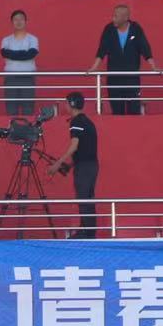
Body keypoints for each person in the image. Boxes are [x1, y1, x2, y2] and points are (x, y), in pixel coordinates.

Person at [90, 4, 154, 116]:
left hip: (132, 80)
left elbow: (145, 49)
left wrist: (154, 67)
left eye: (116, 16)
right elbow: (102, 50)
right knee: (117, 113)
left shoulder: (136, 29)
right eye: (113, 15)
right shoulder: (109, 29)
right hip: (114, 80)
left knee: (134, 112)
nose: (113, 18)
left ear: (125, 17)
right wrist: (94, 68)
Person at [53, 92, 100, 237]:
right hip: (90, 165)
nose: (65, 105)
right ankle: (88, 230)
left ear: (72, 104)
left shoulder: (76, 122)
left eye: (67, 103)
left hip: (85, 167)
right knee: (88, 198)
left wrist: (58, 163)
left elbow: (74, 146)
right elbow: (85, 148)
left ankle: (86, 232)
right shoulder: (86, 121)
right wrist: (71, 164)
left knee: (83, 198)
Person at [0, 9, 39, 118]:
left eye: (21, 19)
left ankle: (28, 133)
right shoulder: (6, 40)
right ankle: (12, 132)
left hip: (28, 76)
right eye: (16, 19)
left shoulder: (33, 39)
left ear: (26, 21)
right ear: (11, 22)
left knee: (28, 108)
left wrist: (12, 54)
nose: (18, 22)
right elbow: (4, 53)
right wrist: (23, 53)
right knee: (11, 108)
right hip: (11, 77)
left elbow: (31, 54)